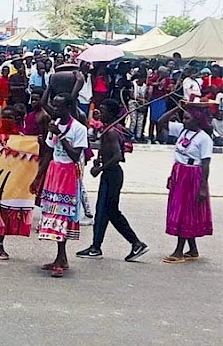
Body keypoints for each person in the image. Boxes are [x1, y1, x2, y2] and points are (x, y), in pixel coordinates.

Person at [76, 99, 149, 261]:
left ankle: (135, 243)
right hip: (110, 174)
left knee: (109, 211)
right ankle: (96, 246)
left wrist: (99, 169)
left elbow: (117, 156)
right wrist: (99, 159)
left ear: (111, 113)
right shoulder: (108, 129)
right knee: (103, 212)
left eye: (102, 111)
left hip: (112, 174)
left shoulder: (111, 132)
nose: (99, 113)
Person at [34, 93, 88, 278]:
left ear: (69, 108)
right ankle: (60, 257)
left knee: (64, 216)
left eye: (58, 107)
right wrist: (38, 177)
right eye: (54, 106)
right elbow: (49, 152)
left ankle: (60, 258)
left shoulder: (79, 129)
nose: (55, 110)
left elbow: (75, 155)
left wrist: (61, 135)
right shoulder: (54, 125)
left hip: (69, 174)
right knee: (53, 215)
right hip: (54, 173)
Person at [157, 103, 214, 263]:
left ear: (197, 120)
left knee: (185, 212)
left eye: (188, 118)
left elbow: (206, 164)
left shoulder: (204, 139)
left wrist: (203, 187)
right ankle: (193, 249)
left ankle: (179, 251)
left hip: (192, 175)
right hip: (179, 172)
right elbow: (161, 122)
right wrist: (177, 108)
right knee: (180, 209)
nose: (184, 121)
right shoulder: (183, 131)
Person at [147, 66, 173, 143]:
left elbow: (170, 87)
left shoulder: (167, 79)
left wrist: (169, 89)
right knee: (152, 120)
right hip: (155, 100)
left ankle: (159, 137)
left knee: (160, 120)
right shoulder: (155, 77)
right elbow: (149, 82)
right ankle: (150, 137)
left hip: (162, 101)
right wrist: (157, 83)